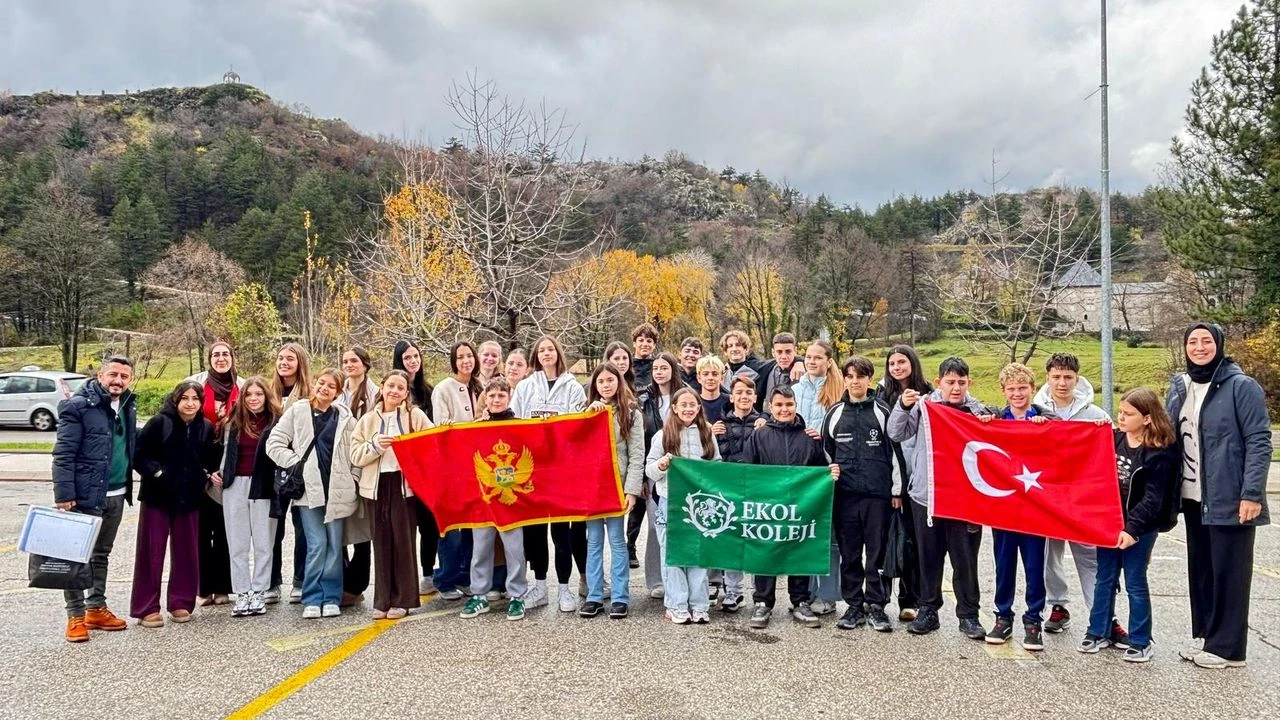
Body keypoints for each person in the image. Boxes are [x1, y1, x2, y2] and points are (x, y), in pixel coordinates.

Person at [1166, 323, 1271, 669]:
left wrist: (1251, 493)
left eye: (1206, 341)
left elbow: (1259, 441)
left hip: (1230, 495)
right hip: (1193, 496)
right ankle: (1208, 637)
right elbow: (1166, 434)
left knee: (1230, 572)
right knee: (1203, 570)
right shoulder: (1180, 387)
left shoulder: (1241, 386)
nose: (1199, 347)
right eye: (1192, 342)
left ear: (1219, 345)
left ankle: (1229, 650)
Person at [888, 356, 988, 641]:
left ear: (969, 383)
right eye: (950, 382)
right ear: (939, 381)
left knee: (965, 559)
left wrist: (987, 420)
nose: (956, 388)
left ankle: (968, 614)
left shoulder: (977, 410)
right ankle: (928, 609)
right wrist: (902, 406)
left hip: (965, 499)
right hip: (927, 496)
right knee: (928, 557)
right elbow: (895, 432)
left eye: (961, 382)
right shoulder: (923, 407)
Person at [1078, 388, 1176, 663]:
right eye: (1120, 412)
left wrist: (1132, 530)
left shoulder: (1160, 452)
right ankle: (1098, 631)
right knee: (1105, 578)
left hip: (1140, 528)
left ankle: (1141, 640)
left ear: (1147, 418)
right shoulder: (1113, 438)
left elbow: (1154, 498)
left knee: (1135, 581)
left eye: (1128, 414)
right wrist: (1097, 429)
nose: (1121, 417)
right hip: (1110, 522)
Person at [53, 355, 137, 643]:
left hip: (116, 494)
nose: (118, 381)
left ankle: (95, 608)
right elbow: (63, 454)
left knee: (101, 554)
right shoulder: (78, 406)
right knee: (76, 556)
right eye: (113, 374)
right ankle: (75, 616)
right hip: (84, 496)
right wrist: (65, 495)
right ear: (100, 376)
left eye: (124, 376)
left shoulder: (127, 405)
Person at [267, 369, 360, 619]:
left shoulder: (345, 418)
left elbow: (354, 455)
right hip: (308, 491)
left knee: (334, 546)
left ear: (338, 393)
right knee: (317, 544)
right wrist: (296, 463)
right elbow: (273, 443)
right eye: (321, 383)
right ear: (314, 383)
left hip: (338, 490)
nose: (324, 388)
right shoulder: (298, 410)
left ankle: (331, 596)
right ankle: (312, 596)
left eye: (331, 386)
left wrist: (353, 479)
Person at [743, 385, 839, 629]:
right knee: (765, 552)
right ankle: (763, 602)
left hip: (800, 507)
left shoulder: (809, 438)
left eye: (789, 404)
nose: (784, 409)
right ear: (770, 407)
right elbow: (747, 471)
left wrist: (829, 473)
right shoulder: (759, 436)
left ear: (796, 405)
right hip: (768, 507)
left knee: (800, 550)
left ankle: (800, 601)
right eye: (779, 405)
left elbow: (820, 472)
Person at [1031, 353, 1111, 636]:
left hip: (1081, 499)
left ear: (1077, 378)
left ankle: (1102, 614)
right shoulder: (1035, 411)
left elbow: (1111, 454)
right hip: (1046, 497)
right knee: (1048, 555)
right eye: (1056, 377)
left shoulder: (1096, 415)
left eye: (1068, 377)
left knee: (1089, 557)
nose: (1062, 383)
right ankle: (1058, 605)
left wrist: (1103, 433)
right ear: (1048, 378)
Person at [130, 381, 220, 628]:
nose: (190, 403)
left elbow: (210, 459)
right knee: (151, 553)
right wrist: (158, 473)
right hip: (157, 497)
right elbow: (139, 455)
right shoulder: (160, 422)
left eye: (195, 399)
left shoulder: (205, 427)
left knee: (186, 552)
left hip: (189, 499)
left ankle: (181, 602)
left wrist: (204, 475)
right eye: (185, 398)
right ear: (175, 400)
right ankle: (147, 607)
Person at [821, 356, 902, 632]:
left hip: (878, 497)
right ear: (844, 379)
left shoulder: (882, 411)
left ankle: (877, 606)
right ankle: (854, 606)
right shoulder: (834, 413)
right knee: (850, 554)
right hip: (845, 498)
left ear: (869, 379)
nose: (855, 382)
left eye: (860, 376)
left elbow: (895, 453)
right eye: (850, 376)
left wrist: (896, 490)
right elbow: (826, 454)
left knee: (877, 553)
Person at [981, 362, 1055, 652]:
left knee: (1035, 566)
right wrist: (984, 422)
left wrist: (1048, 428)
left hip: (1035, 508)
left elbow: (1067, 442)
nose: (1017, 394)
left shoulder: (1046, 419)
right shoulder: (996, 419)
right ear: (1003, 391)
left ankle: (1033, 619)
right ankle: (1003, 616)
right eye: (1011, 389)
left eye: (1022, 388)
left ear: (1032, 389)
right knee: (1004, 564)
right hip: (1004, 508)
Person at [512, 334, 588, 611]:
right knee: (535, 532)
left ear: (558, 353)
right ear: (536, 355)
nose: (546, 353)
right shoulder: (525, 387)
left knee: (561, 532)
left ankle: (565, 590)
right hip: (533, 469)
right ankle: (540, 587)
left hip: (561, 471)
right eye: (542, 350)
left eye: (550, 349)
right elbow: (514, 423)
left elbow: (579, 427)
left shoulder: (573, 387)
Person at [350, 370, 432, 619]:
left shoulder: (415, 416)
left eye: (400, 388)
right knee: (381, 542)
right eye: (391, 386)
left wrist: (411, 447)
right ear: (382, 387)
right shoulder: (367, 420)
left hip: (403, 486)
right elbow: (355, 455)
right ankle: (383, 599)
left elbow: (431, 444)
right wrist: (375, 446)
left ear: (406, 393)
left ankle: (403, 599)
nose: (395, 391)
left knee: (403, 542)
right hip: (375, 487)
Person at [645, 387, 721, 624]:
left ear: (698, 408)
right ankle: (676, 605)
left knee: (698, 554)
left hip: (699, 505)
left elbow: (717, 464)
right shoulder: (662, 435)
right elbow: (649, 470)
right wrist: (662, 465)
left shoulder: (707, 433)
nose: (688, 409)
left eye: (692, 405)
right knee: (673, 555)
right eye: (683, 405)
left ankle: (699, 605)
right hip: (671, 503)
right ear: (675, 408)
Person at [460, 377, 531, 621]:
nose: (496, 400)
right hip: (485, 500)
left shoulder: (521, 426)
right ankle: (479, 594)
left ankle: (517, 596)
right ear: (485, 399)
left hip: (512, 501)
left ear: (509, 398)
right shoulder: (475, 428)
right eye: (491, 395)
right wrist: (449, 430)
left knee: (514, 549)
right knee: (480, 548)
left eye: (501, 395)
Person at [580, 364, 644, 619]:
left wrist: (632, 490)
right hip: (592, 487)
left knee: (617, 540)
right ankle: (594, 596)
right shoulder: (586, 411)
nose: (606, 385)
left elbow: (636, 454)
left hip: (617, 486)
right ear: (594, 385)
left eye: (610, 380)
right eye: (601, 381)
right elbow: (576, 445)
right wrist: (589, 416)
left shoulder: (631, 413)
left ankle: (620, 597)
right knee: (594, 540)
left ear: (619, 382)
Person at [873, 345, 931, 623]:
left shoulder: (928, 393)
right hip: (888, 476)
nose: (897, 367)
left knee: (913, 541)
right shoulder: (881, 394)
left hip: (918, 477)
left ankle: (910, 600)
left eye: (902, 362)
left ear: (912, 363)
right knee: (885, 540)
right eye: (892, 363)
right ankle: (879, 600)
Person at [217, 376, 281, 618]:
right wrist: (219, 474)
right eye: (249, 394)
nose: (253, 399)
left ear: (266, 396)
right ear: (242, 398)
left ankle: (259, 591)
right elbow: (224, 453)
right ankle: (242, 592)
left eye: (258, 394)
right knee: (238, 543)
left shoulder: (276, 421)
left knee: (264, 543)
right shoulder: (233, 422)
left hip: (263, 486)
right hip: (235, 485)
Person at [187, 341, 242, 608]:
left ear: (232, 357)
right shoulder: (195, 384)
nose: (221, 359)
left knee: (225, 529)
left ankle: (223, 587)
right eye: (216, 355)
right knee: (201, 528)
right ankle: (203, 588)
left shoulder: (242, 386)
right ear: (209, 359)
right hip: (200, 462)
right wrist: (203, 471)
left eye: (225, 354)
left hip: (231, 462)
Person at [793, 339, 843, 616]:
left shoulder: (839, 391)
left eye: (818, 357)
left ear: (828, 361)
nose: (812, 361)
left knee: (828, 536)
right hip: (802, 472)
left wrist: (822, 437)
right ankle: (805, 593)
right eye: (808, 357)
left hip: (827, 471)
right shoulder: (795, 390)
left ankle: (827, 594)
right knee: (805, 533)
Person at [431, 342, 483, 600]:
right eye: (460, 357)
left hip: (476, 466)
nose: (466, 361)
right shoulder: (443, 388)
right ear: (454, 361)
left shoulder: (480, 387)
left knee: (473, 525)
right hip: (451, 467)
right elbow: (440, 428)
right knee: (451, 526)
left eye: (469, 356)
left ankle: (466, 575)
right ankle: (446, 578)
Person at [713, 375, 764, 612]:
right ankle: (733, 591)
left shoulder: (765, 424)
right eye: (739, 392)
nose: (744, 396)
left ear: (755, 397)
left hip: (756, 490)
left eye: (749, 393)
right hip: (729, 490)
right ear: (731, 397)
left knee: (756, 541)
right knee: (731, 541)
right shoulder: (719, 426)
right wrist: (710, 433)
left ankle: (759, 593)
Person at [632, 352, 680, 594]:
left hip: (681, 471)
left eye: (664, 368)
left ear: (673, 370)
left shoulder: (684, 396)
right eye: (656, 368)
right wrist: (642, 477)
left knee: (679, 527)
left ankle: (678, 578)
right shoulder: (644, 400)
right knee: (654, 525)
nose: (659, 372)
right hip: (654, 470)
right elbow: (639, 441)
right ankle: (656, 580)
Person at [393, 339, 438, 595]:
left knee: (429, 524)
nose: (413, 361)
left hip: (427, 469)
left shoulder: (429, 391)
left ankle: (428, 573)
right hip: (399, 468)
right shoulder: (392, 390)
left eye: (416, 356)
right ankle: (403, 577)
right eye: (407, 357)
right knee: (404, 527)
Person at [270, 342, 312, 605]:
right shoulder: (267, 392)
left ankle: (300, 580)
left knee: (303, 527)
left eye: (290, 358)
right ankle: (272, 582)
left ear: (300, 363)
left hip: (300, 470)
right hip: (272, 468)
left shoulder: (309, 393)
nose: (284, 362)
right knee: (273, 528)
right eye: (280, 358)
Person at [337, 346, 378, 607]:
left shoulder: (375, 394)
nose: (349, 365)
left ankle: (356, 584)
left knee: (362, 529)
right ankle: (341, 581)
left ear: (365, 364)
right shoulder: (338, 392)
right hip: (339, 466)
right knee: (339, 527)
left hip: (365, 464)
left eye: (354, 360)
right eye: (345, 361)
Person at [757, 332, 800, 413]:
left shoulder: (804, 371)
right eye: (779, 352)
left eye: (788, 351)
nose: (784, 357)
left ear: (795, 351)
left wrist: (800, 361)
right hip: (770, 418)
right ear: (773, 352)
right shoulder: (766, 369)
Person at [695, 355, 731, 424]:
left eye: (715, 374)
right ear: (699, 378)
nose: (710, 378)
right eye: (705, 374)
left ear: (722, 378)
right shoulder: (694, 402)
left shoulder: (730, 401)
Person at [631, 323, 659, 392]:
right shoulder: (627, 365)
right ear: (634, 343)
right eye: (641, 340)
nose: (645, 344)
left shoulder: (659, 365)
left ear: (654, 345)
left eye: (649, 341)